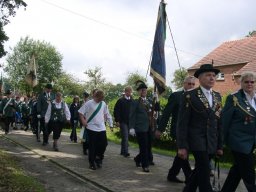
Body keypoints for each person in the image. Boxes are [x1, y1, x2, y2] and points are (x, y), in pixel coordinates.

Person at [177, 64, 223, 192]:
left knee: (199, 171)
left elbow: (219, 122)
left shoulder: (218, 96)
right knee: (205, 171)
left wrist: (219, 145)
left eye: (214, 75)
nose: (212, 78)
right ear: (200, 78)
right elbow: (182, 123)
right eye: (208, 75)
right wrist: (182, 146)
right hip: (197, 140)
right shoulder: (189, 96)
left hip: (211, 141)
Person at [155, 76, 195, 183]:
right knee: (183, 152)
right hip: (177, 130)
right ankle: (189, 176)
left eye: (193, 84)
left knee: (181, 154)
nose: (191, 86)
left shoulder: (196, 97)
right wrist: (160, 129)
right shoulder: (176, 96)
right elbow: (167, 113)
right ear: (184, 84)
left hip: (190, 131)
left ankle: (172, 174)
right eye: (189, 84)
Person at [221, 71, 256, 192]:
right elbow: (225, 121)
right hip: (238, 141)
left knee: (237, 170)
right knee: (249, 173)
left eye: (252, 82)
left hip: (251, 142)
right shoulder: (234, 98)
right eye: (246, 82)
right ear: (241, 83)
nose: (250, 84)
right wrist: (220, 143)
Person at [78, 90, 113, 170]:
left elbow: (107, 114)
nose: (100, 100)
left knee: (104, 144)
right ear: (95, 96)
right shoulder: (89, 103)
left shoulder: (103, 103)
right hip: (91, 127)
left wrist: (111, 124)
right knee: (92, 146)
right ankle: (92, 162)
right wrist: (83, 121)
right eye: (99, 98)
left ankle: (99, 157)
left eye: (102, 98)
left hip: (101, 127)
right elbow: (80, 112)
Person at [129, 80, 159, 173]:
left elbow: (157, 109)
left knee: (148, 146)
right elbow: (132, 115)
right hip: (140, 128)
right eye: (141, 90)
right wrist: (131, 127)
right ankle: (145, 165)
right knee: (144, 146)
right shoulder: (135, 102)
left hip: (150, 126)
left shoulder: (150, 100)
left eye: (145, 90)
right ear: (138, 92)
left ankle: (138, 159)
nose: (143, 91)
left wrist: (156, 99)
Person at [114, 86, 133, 157]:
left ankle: (122, 151)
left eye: (130, 91)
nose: (129, 93)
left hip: (129, 122)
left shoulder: (132, 100)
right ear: (125, 92)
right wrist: (117, 121)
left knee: (125, 137)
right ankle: (126, 152)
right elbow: (116, 111)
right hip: (123, 122)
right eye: (128, 91)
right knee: (125, 137)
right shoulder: (120, 100)